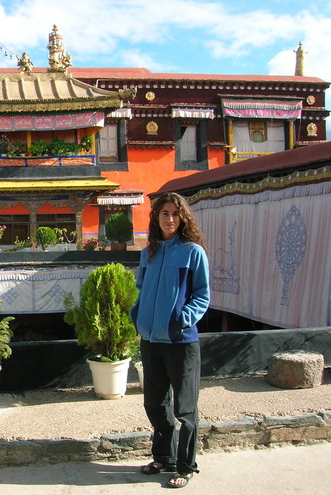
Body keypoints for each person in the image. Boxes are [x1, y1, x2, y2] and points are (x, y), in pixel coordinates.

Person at [130, 192, 210, 489]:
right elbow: (141, 288)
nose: (170, 219)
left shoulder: (192, 252)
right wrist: (137, 313)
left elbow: (202, 294)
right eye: (165, 213)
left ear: (183, 218)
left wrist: (182, 318)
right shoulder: (148, 252)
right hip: (151, 340)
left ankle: (186, 465)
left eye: (176, 214)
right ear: (156, 218)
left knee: (185, 408)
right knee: (155, 403)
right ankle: (164, 457)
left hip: (181, 341)